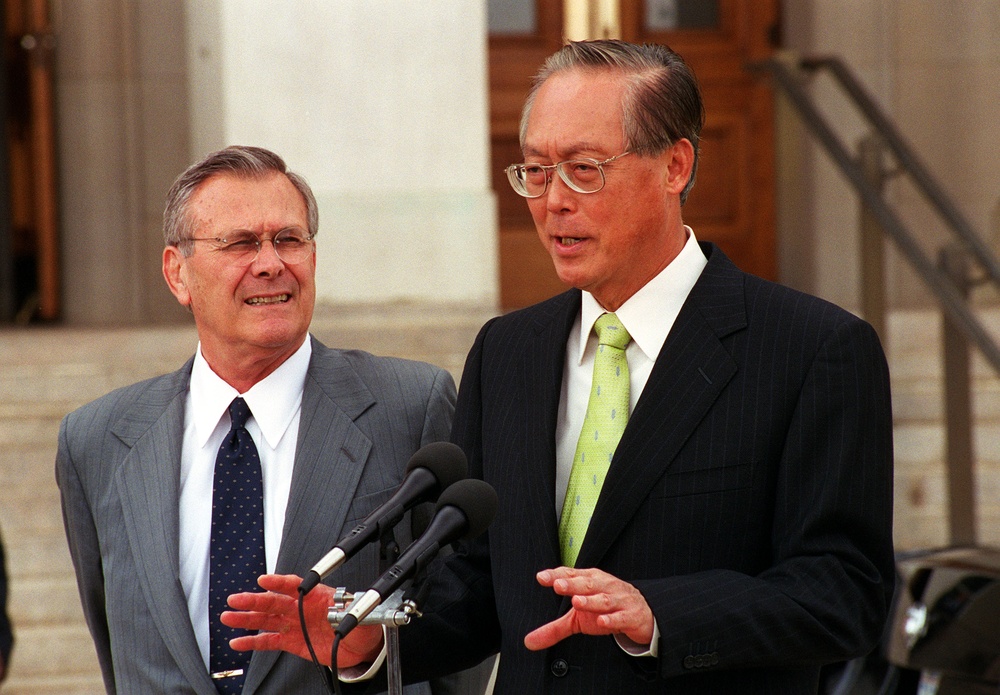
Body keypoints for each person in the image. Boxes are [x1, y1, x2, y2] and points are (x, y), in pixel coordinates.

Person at [223, 40, 896, 694]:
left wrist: (659, 614)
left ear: (675, 166)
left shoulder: (812, 350)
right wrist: (372, 637)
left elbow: (844, 592)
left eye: (584, 168)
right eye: (535, 171)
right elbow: (484, 584)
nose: (553, 201)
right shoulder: (509, 351)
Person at [55, 145, 491, 694]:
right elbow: (115, 647)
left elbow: (465, 616)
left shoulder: (408, 404)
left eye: (289, 239)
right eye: (239, 243)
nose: (270, 262)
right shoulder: (97, 440)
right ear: (177, 273)